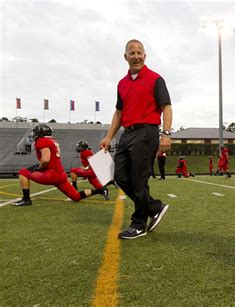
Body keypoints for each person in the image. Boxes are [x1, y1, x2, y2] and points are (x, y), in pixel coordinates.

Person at [100, 39, 172, 240]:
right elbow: (119, 112)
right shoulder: (121, 84)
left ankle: (138, 223)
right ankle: (154, 207)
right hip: (127, 134)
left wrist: (166, 133)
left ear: (145, 55)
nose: (136, 56)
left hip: (147, 132)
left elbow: (167, 106)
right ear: (126, 57)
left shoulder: (155, 78)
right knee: (120, 177)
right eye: (132, 53)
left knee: (138, 179)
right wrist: (108, 137)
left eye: (139, 52)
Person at [12, 124, 108, 206]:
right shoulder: (53, 141)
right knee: (76, 197)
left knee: (23, 172)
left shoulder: (41, 141)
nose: (35, 135)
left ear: (40, 134)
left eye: (36, 133)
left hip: (51, 174)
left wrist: (38, 167)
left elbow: (45, 160)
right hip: (61, 174)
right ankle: (99, 191)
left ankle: (26, 199)